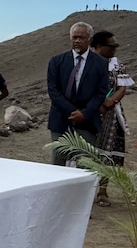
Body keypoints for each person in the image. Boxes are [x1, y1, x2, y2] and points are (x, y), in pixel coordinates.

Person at [47, 22, 109, 166]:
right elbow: (53, 90)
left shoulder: (100, 63)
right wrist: (72, 111)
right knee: (58, 162)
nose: (77, 40)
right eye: (74, 37)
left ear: (89, 39)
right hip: (60, 120)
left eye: (81, 37)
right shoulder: (56, 61)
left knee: (85, 163)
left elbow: (101, 92)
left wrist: (84, 113)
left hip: (87, 122)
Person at [91, 31, 134, 206]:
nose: (115, 50)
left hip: (110, 114)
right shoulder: (88, 64)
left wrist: (109, 102)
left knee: (106, 153)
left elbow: (122, 88)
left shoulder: (117, 66)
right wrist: (97, 102)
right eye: (112, 46)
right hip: (89, 111)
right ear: (99, 46)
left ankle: (102, 190)